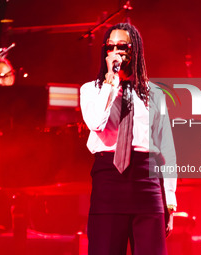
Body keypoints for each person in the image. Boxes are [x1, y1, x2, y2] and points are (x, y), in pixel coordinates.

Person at [80, 23, 177, 255]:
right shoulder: (91, 91)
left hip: (147, 181)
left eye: (122, 46)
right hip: (109, 180)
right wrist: (111, 85)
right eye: (110, 46)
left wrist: (170, 201)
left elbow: (167, 148)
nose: (115, 51)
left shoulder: (155, 94)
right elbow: (96, 123)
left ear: (135, 51)